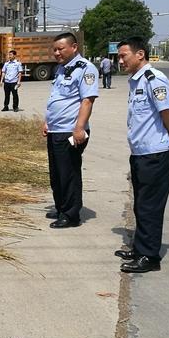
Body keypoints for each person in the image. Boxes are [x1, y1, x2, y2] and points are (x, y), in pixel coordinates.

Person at [115, 36, 169, 273]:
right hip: (141, 153)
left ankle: (149, 257)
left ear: (140, 54)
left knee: (150, 207)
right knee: (141, 204)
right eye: (119, 57)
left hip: (156, 154)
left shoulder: (154, 79)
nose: (120, 61)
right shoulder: (137, 81)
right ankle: (140, 248)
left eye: (123, 56)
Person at [42, 32, 99, 228]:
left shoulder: (85, 68)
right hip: (56, 129)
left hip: (70, 130)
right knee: (56, 173)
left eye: (61, 49)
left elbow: (87, 100)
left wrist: (79, 128)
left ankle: (71, 214)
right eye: (55, 50)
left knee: (69, 173)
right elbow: (57, 98)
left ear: (74, 47)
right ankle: (61, 207)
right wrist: (48, 122)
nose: (57, 53)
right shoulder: (61, 69)